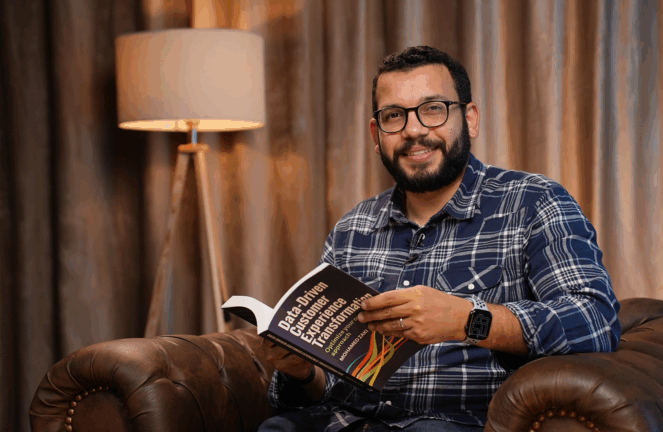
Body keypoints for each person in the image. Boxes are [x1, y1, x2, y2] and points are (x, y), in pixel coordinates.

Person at [259, 46, 621, 431]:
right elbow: (327, 383)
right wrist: (301, 372)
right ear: (376, 135)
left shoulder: (534, 202)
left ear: (470, 119)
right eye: (394, 116)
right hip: (347, 421)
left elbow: (594, 320)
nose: (414, 130)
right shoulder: (352, 230)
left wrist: (469, 320)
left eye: (433, 109)